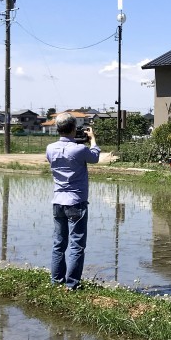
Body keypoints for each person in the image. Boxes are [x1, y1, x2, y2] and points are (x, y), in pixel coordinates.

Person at [46, 113, 101, 290]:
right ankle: (72, 285)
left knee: (59, 243)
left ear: (57, 129)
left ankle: (56, 281)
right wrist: (92, 140)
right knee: (77, 245)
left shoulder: (50, 148)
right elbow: (95, 157)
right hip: (76, 202)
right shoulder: (79, 149)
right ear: (73, 128)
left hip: (58, 201)